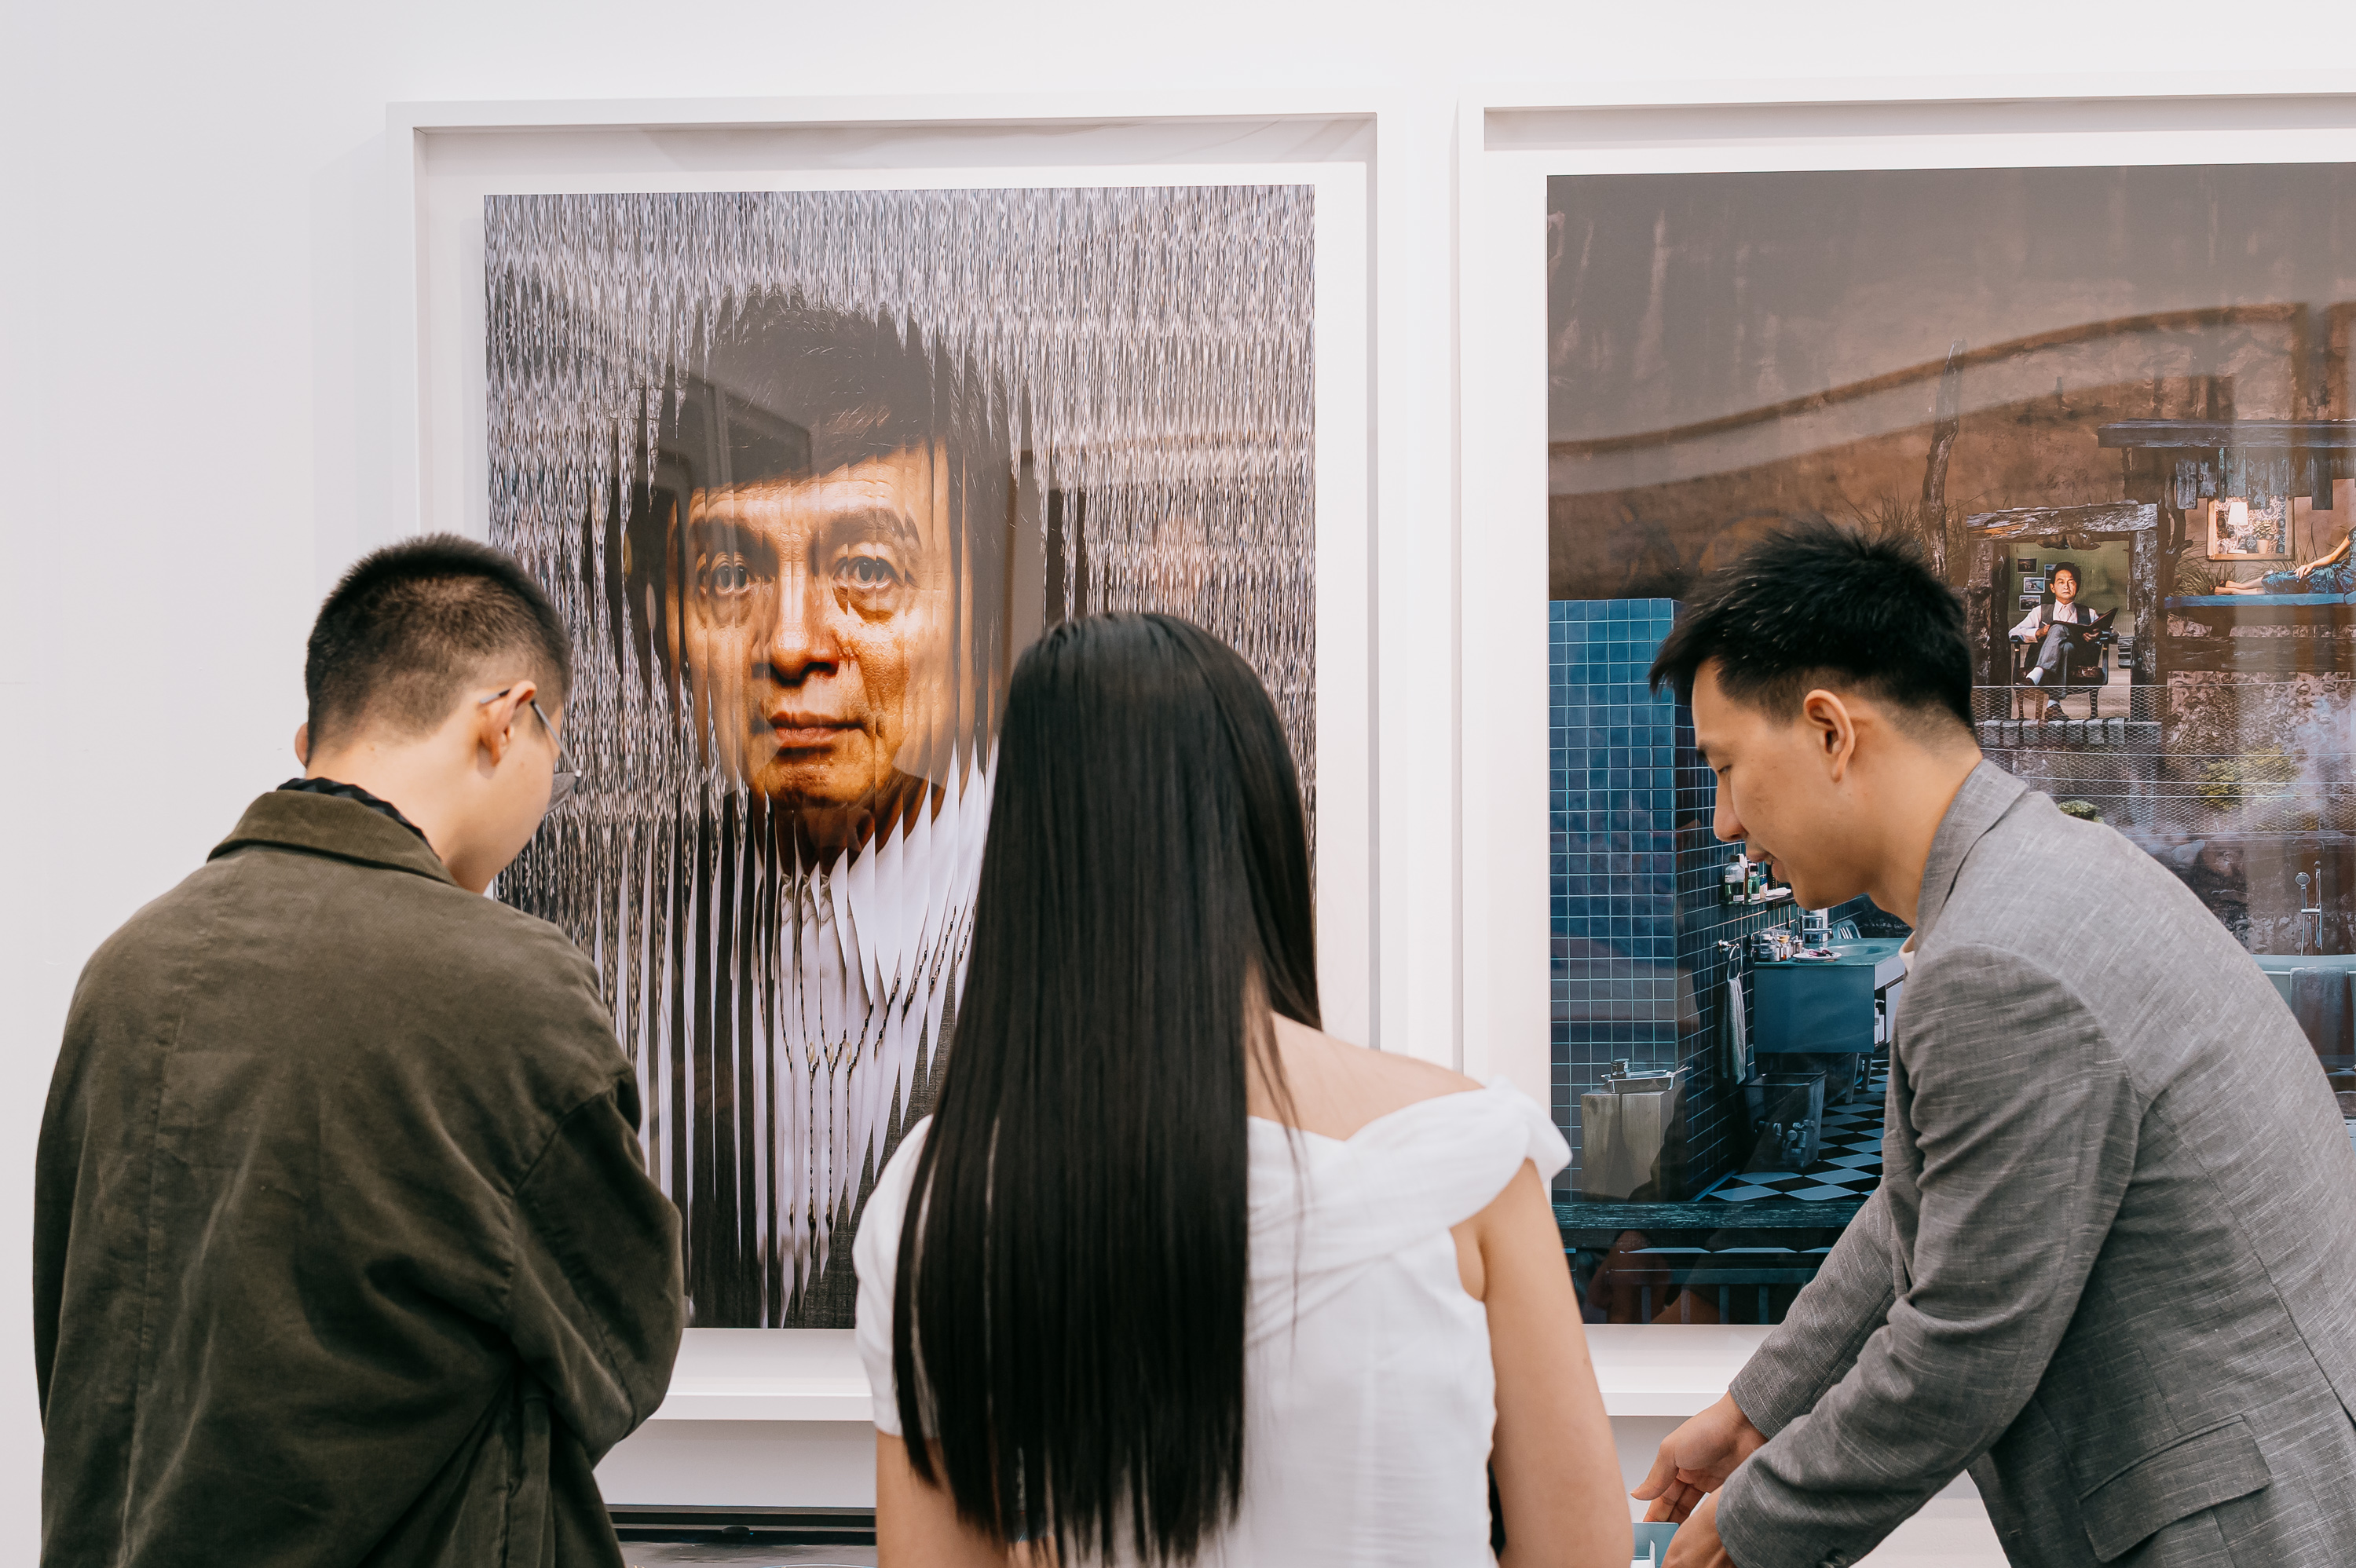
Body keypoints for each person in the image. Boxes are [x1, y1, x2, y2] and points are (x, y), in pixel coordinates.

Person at [1632, 521, 2356, 1568]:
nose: (1723, 821)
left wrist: (1745, 1531)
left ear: (1831, 732)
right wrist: (1755, 1411)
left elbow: (1961, 1354)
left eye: (1728, 767)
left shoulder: (2001, 960)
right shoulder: (2044, 867)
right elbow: (1922, 1204)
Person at [853, 614, 1630, 1568]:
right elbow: (1580, 1552)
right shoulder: (1468, 1150)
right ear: (1261, 827)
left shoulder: (935, 1196)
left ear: (1026, 851)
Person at [35, 536, 686, 1568]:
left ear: (312, 741)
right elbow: (624, 1342)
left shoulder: (126, 968)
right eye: (554, 754)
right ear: (508, 719)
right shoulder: (510, 983)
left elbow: (83, 1345)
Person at [600, 297, 1015, 1325]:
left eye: (869, 569)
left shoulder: (1084, 917)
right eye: (729, 572)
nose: (790, 642)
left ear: (985, 616)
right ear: (665, 622)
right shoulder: (623, 937)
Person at [2007, 561, 2102, 715]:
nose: (2066, 586)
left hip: (2077, 660)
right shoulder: (2040, 611)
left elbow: (2112, 634)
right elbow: (2013, 633)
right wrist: (2039, 632)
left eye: (2071, 582)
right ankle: (2053, 704)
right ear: (2052, 587)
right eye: (2061, 582)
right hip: (2039, 658)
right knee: (2064, 643)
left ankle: (2035, 677)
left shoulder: (2089, 613)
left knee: (2059, 631)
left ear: (2077, 586)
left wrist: (2098, 634)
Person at [2215, 525, 2356, 594]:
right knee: (2292, 577)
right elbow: (2333, 557)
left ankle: (2234, 591)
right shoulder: (2354, 532)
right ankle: (2240, 586)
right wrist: (2310, 565)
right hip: (2335, 571)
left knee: (2288, 585)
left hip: (2346, 583)